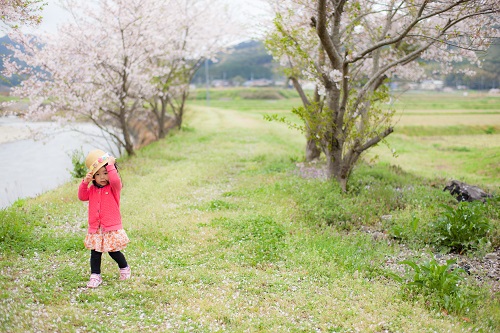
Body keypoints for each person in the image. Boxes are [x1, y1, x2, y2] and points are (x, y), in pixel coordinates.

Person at [78, 149, 131, 288]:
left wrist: (110, 165)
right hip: (96, 228)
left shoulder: (114, 187)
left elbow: (114, 179)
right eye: (98, 174)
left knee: (113, 251)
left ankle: (124, 267)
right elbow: (82, 196)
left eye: (105, 173)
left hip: (110, 226)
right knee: (95, 253)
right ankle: (95, 276)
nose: (102, 177)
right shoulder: (92, 190)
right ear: (93, 176)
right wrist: (85, 182)